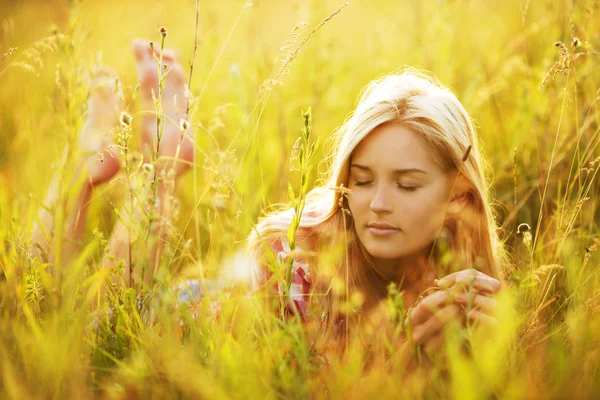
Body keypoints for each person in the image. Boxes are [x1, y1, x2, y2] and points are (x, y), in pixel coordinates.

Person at [32, 38, 505, 362]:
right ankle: (105, 165)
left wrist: (490, 353)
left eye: (406, 185)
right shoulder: (296, 263)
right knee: (80, 332)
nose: (378, 203)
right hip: (188, 323)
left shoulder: (469, 292)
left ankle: (161, 153)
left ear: (457, 196)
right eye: (361, 181)